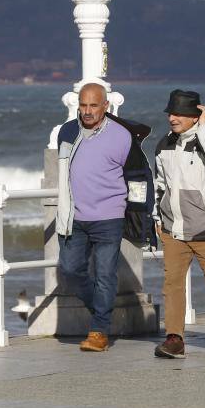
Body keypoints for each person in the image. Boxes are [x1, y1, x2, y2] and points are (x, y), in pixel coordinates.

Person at [55, 82, 154, 352]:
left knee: (105, 275)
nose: (87, 111)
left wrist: (140, 216)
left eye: (93, 105)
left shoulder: (122, 136)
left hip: (109, 217)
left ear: (105, 106)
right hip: (73, 217)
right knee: (69, 270)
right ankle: (100, 309)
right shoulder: (67, 131)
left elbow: (137, 176)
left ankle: (99, 330)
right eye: (83, 105)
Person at [153, 89, 205, 358]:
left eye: (179, 114)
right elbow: (160, 184)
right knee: (172, 287)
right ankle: (174, 338)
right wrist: (158, 216)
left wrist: (204, 127)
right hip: (174, 230)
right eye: (171, 113)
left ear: (195, 116)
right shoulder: (164, 144)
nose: (172, 118)